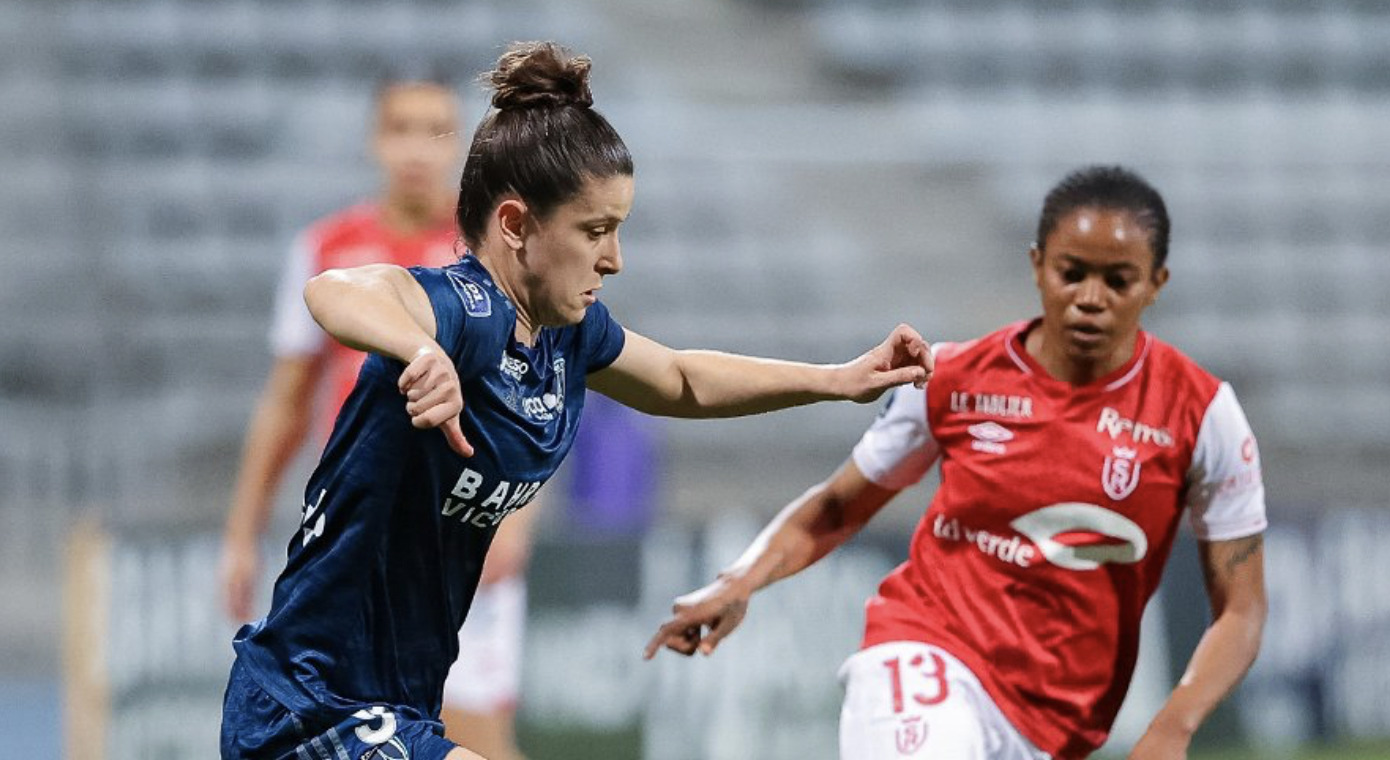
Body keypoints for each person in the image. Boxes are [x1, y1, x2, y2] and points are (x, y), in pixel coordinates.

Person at [219, 41, 932, 760]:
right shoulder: (464, 307)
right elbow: (335, 291)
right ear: (516, 225)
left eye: (617, 230)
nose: (614, 258)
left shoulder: (567, 334)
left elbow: (683, 379)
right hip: (308, 706)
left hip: (399, 701)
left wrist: (839, 378)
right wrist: (421, 350)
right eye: (596, 231)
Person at [646, 166, 1268, 760]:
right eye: (1071, 273)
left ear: (1156, 282)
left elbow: (1241, 609)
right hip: (925, 652)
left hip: (1059, 723)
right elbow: (839, 505)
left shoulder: (1202, 414)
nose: (1089, 299)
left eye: (1118, 281)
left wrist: (1174, 724)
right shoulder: (954, 377)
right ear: (1036, 265)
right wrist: (741, 580)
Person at [217, 70, 531, 759]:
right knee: (359, 736)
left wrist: (515, 516)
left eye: (435, 131)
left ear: (462, 149)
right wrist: (241, 532)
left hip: (459, 527)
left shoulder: (490, 256)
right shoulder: (326, 252)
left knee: (476, 737)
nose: (416, 148)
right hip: (356, 533)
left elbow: (536, 392)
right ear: (374, 141)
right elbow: (286, 404)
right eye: (401, 129)